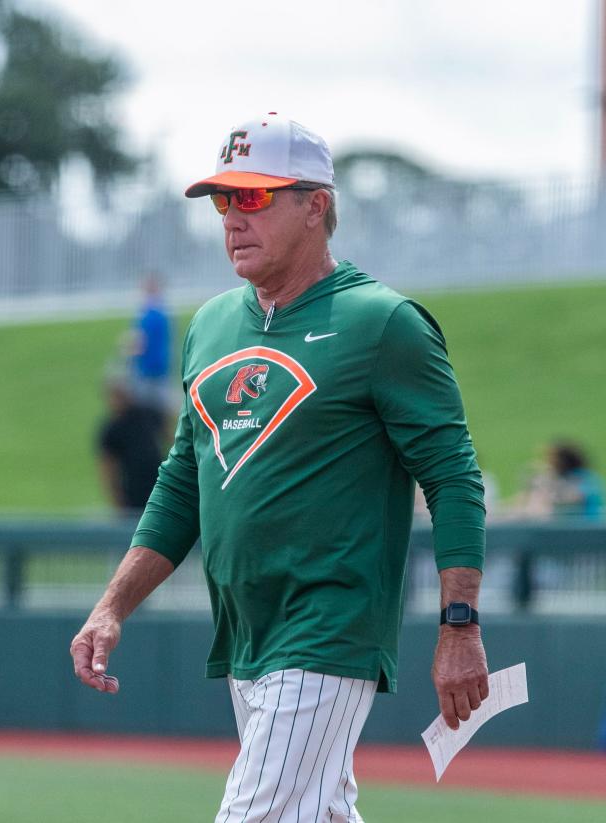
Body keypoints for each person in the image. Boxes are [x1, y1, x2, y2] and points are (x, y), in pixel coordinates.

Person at [70, 113, 488, 822]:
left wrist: (460, 624)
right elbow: (182, 482)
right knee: (316, 811)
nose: (232, 216)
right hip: (245, 626)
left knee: (254, 813)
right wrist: (112, 606)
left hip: (329, 623)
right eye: (222, 199)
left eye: (254, 197)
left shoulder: (381, 323)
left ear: (315, 205)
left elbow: (454, 477)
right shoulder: (210, 325)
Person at [97, 373, 165, 514]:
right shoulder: (112, 429)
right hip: (133, 493)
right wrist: (117, 501)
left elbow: (170, 439)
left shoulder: (148, 414)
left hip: (159, 484)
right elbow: (108, 468)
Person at [517, 440, 606, 520]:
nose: (548, 463)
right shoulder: (569, 477)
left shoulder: (582, 477)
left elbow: (573, 497)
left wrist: (545, 491)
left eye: (551, 459)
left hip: (589, 527)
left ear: (562, 460)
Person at [128, 273, 173, 416]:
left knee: (146, 411)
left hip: (147, 369)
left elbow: (139, 343)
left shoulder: (148, 314)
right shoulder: (163, 313)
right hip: (161, 367)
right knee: (161, 411)